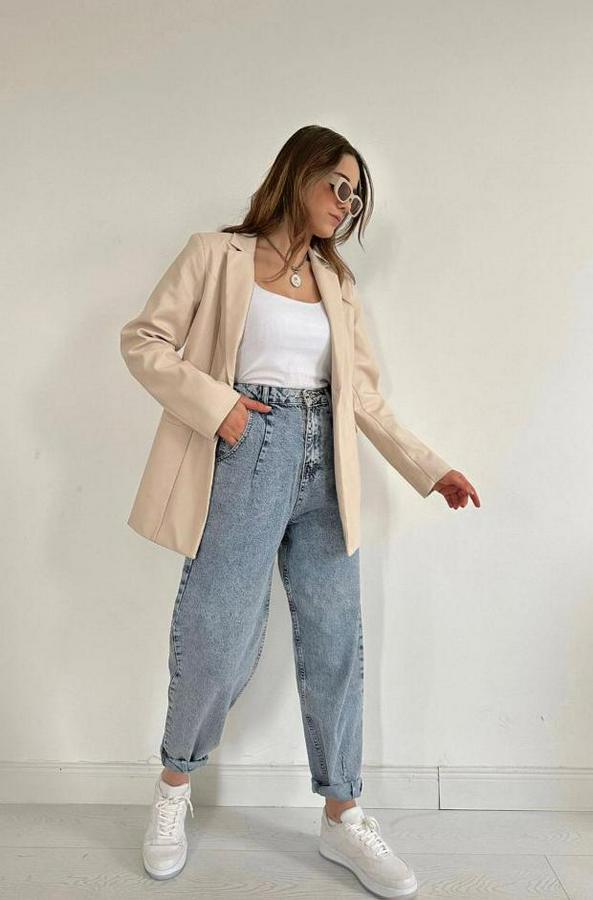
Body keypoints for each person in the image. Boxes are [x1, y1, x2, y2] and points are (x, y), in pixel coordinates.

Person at [120, 125, 480, 898]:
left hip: (326, 470)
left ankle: (341, 814)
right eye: (338, 186)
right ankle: (174, 787)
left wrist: (429, 468)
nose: (345, 205)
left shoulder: (335, 283)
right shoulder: (214, 254)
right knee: (217, 635)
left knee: (334, 644)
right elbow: (144, 341)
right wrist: (218, 406)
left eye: (356, 198)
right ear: (299, 172)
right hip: (246, 452)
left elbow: (363, 396)